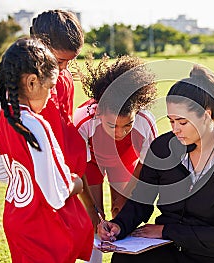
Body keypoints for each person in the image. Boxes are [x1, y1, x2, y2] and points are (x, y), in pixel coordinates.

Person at [97, 65, 214, 263]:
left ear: (205, 115)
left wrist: (167, 231)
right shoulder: (162, 147)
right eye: (171, 121)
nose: (175, 129)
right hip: (167, 248)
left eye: (182, 122)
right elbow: (141, 201)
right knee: (123, 259)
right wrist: (119, 225)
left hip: (212, 255)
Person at [0, 10, 100, 229]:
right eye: (60, 60)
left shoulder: (63, 79)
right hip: (40, 194)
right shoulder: (19, 88)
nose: (64, 68)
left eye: (71, 61)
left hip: (63, 183)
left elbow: (63, 134)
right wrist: (35, 160)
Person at [0, 37, 93, 262]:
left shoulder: (5, 116)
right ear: (31, 83)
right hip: (41, 229)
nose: (50, 96)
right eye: (49, 87)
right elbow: (55, 195)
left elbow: (4, 173)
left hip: (16, 219)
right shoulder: (36, 124)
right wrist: (76, 183)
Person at [74, 55, 158, 263]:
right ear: (99, 112)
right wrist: (94, 213)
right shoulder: (82, 120)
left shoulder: (145, 121)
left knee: (122, 213)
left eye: (127, 125)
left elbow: (145, 166)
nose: (120, 133)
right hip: (90, 162)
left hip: (124, 160)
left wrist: (125, 198)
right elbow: (79, 168)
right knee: (95, 218)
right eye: (112, 126)